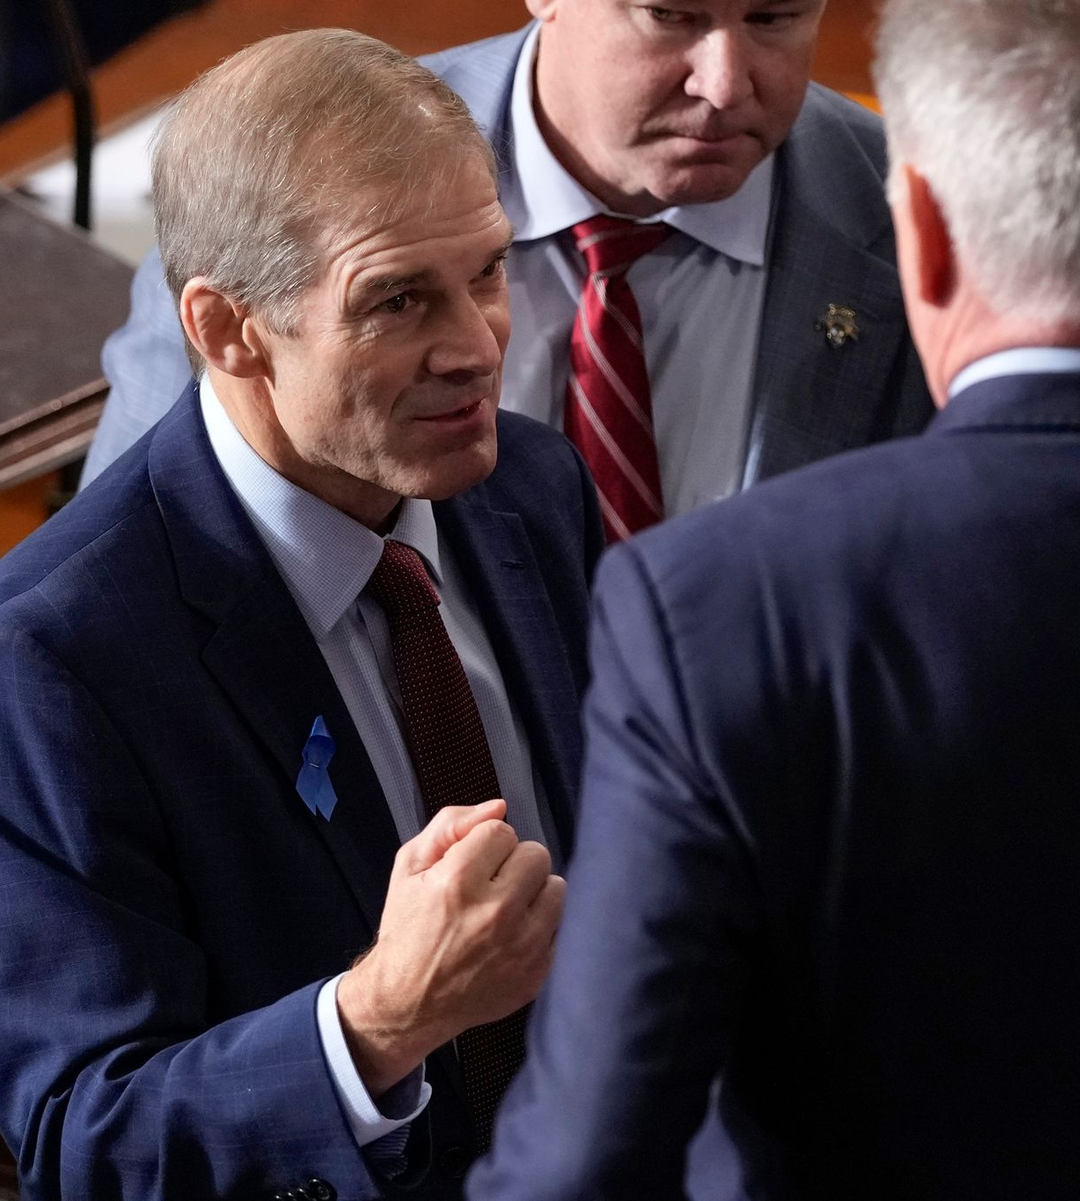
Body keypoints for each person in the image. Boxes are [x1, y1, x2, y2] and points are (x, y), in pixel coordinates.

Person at [469, 0, 1080, 1195]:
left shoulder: (719, 601)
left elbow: (587, 1161)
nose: (726, 77)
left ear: (921, 231)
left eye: (774, 14)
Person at [0, 29, 603, 1201]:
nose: (478, 348)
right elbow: (89, 1142)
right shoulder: (51, 659)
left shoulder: (531, 486)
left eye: (486, 272)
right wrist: (378, 1020)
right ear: (226, 330)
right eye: (398, 302)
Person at [81, 0, 933, 536]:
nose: (723, 82)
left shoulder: (927, 222)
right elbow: (129, 574)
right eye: (670, 16)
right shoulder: (287, 187)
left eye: (775, 18)